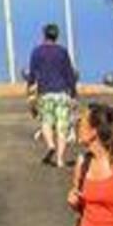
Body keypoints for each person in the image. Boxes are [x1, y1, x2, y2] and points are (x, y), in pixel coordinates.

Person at [26, 22, 80, 167]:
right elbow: (69, 74)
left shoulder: (37, 52)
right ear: (57, 36)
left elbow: (32, 74)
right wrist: (73, 94)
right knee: (62, 127)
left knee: (46, 122)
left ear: (44, 35)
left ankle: (50, 145)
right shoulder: (62, 52)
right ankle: (60, 159)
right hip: (62, 93)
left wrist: (29, 90)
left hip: (45, 93)